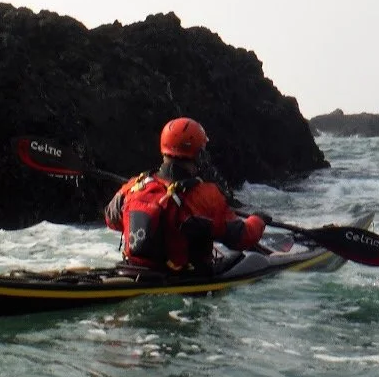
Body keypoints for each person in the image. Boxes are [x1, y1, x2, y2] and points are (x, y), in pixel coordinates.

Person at [103, 117, 266, 274]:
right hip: (185, 277)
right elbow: (242, 237)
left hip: (134, 270)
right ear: (198, 154)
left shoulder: (133, 186)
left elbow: (111, 221)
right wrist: (258, 220)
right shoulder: (206, 194)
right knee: (245, 258)